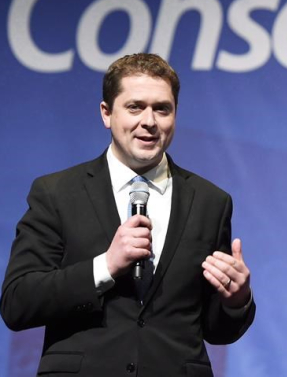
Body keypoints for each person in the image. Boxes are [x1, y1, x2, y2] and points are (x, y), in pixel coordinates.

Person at [1, 53, 255, 376]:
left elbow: (214, 329)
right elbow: (17, 302)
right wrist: (104, 266)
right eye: (135, 107)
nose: (149, 121)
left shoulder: (210, 202)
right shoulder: (57, 193)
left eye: (162, 108)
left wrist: (237, 301)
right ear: (106, 113)